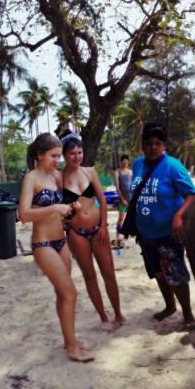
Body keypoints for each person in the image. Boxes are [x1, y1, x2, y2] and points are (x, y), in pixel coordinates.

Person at [18, 133, 93, 362]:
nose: (57, 160)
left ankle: (70, 340)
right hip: (43, 244)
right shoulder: (31, 178)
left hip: (61, 242)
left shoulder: (53, 177)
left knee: (63, 293)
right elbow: (24, 215)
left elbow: (58, 207)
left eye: (59, 156)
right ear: (40, 155)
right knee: (71, 293)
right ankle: (71, 347)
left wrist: (68, 207)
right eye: (53, 156)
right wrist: (54, 208)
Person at [132, 122, 195, 326]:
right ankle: (170, 306)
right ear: (142, 145)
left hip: (168, 233)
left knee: (176, 275)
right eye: (148, 143)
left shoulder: (172, 166)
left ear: (164, 146)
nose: (153, 148)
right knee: (159, 273)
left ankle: (188, 314)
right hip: (145, 234)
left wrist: (179, 216)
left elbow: (191, 195)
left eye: (158, 143)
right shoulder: (138, 164)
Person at [60, 131, 126, 331]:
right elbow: (52, 205)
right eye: (72, 153)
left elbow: (102, 200)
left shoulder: (89, 172)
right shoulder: (58, 178)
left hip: (98, 228)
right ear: (64, 155)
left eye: (79, 152)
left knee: (109, 273)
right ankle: (104, 317)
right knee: (89, 276)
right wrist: (62, 218)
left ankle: (118, 313)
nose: (77, 157)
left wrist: (104, 226)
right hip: (76, 232)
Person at [114, 154, 132, 243]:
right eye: (124, 162)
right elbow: (117, 188)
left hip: (131, 198)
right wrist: (122, 199)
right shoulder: (117, 172)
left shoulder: (131, 172)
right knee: (121, 217)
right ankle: (117, 235)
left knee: (132, 217)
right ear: (121, 162)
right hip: (123, 199)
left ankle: (130, 233)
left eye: (127, 162)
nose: (125, 164)